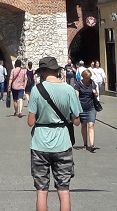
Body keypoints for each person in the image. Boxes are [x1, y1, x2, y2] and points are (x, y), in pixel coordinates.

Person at [26, 57, 81, 211]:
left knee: (42, 191)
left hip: (40, 143)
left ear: (42, 72)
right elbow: (76, 121)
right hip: (63, 142)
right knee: (64, 190)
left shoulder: (37, 90)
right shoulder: (69, 89)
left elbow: (31, 121)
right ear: (57, 71)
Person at [75, 69, 100, 153]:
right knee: (84, 126)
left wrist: (95, 93)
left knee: (91, 125)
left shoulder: (92, 83)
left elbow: (96, 94)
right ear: (83, 77)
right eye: (86, 78)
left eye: (89, 78)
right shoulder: (78, 84)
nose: (88, 79)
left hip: (91, 107)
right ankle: (85, 144)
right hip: (81, 107)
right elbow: (76, 96)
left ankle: (92, 145)